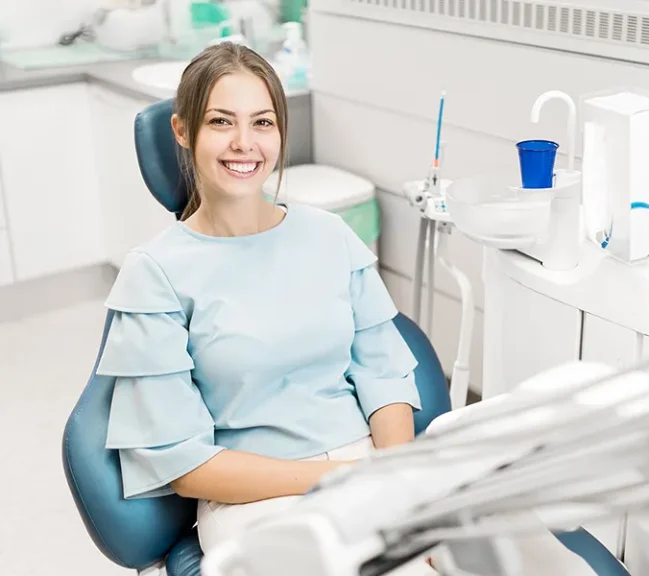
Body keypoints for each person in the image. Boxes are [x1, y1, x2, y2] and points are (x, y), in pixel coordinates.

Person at [95, 42, 426, 561]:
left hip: (368, 469)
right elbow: (185, 465)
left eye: (263, 123)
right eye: (221, 122)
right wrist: (339, 478)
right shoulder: (155, 273)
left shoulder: (330, 236)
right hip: (255, 497)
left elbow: (385, 377)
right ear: (182, 130)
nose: (244, 144)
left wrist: (397, 484)